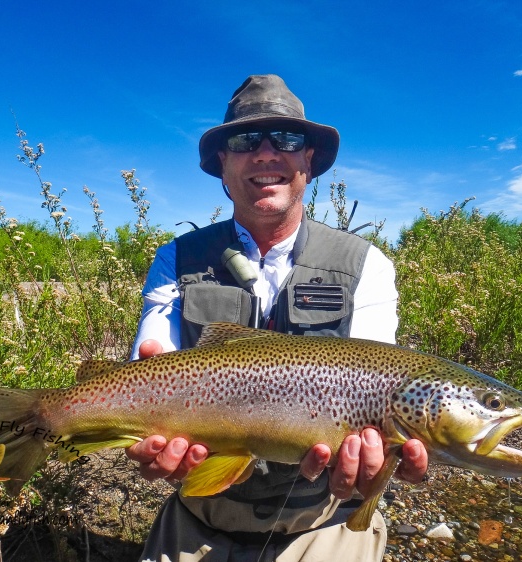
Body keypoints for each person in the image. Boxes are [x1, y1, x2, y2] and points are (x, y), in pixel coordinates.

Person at [126, 74, 428, 562]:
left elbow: (378, 378)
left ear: (309, 160)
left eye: (287, 139)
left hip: (323, 526)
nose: (267, 154)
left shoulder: (367, 264)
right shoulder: (176, 258)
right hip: (198, 516)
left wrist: (384, 455)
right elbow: (152, 358)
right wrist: (146, 426)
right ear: (222, 163)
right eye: (245, 140)